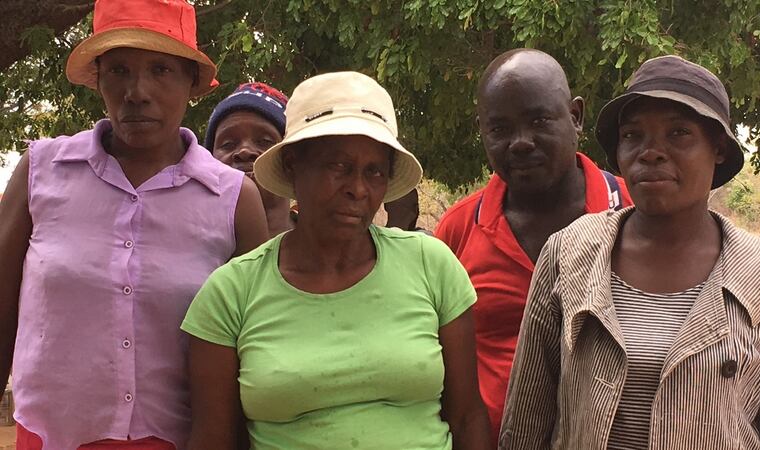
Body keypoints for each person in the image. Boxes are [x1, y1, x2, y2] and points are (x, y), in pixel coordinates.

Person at [0, 1, 268, 449]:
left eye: (160, 70)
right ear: (99, 79)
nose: (137, 91)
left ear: (191, 83)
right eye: (119, 70)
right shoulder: (41, 172)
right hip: (50, 437)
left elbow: (257, 348)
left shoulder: (234, 200)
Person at [500, 55, 760, 449]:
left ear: (719, 149)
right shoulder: (568, 254)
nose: (651, 152)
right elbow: (526, 421)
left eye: (679, 133)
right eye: (633, 135)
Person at [181, 71, 492, 450]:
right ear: (294, 166)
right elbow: (215, 439)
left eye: (374, 171)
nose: (358, 189)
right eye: (338, 167)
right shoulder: (231, 294)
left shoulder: (431, 264)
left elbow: (467, 416)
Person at [434, 48, 633, 442]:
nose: (520, 142)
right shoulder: (458, 231)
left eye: (539, 120)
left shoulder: (633, 214)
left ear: (575, 117)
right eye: (500, 128)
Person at [205, 82, 294, 238]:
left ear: (292, 160)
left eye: (265, 141)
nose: (244, 152)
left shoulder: (333, 246)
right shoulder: (189, 249)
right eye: (228, 144)